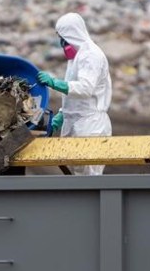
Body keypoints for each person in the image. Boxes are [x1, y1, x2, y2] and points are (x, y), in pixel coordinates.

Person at [36, 13, 113, 175]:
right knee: (74, 176)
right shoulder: (76, 58)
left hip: (90, 125)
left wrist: (54, 83)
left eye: (62, 37)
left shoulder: (90, 55)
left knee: (88, 177)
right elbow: (75, 96)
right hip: (75, 122)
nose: (62, 43)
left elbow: (85, 89)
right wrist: (62, 116)